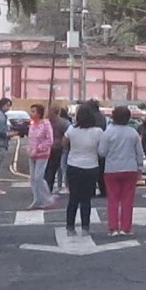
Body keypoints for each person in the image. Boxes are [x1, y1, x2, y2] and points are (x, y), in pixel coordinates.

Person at [98, 106, 144, 236]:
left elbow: (101, 152)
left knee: (112, 199)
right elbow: (139, 153)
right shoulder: (133, 133)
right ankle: (126, 227)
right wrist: (139, 167)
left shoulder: (108, 132)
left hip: (111, 169)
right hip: (130, 168)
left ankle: (113, 227)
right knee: (127, 199)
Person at [63, 104, 104, 236]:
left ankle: (70, 227)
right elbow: (101, 150)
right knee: (86, 199)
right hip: (91, 166)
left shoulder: (71, 130)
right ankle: (85, 227)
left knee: (73, 198)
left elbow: (64, 143)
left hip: (73, 165)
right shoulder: (98, 132)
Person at [26, 104, 55, 210]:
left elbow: (49, 140)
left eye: (33, 111)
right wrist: (29, 149)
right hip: (32, 154)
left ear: (39, 113)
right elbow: (31, 138)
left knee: (38, 177)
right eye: (31, 111)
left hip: (42, 154)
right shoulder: (32, 124)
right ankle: (37, 199)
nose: (31, 113)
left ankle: (48, 199)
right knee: (33, 178)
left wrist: (38, 148)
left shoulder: (46, 124)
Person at [44, 105, 71, 194]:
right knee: (57, 168)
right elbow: (68, 134)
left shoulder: (46, 122)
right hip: (58, 148)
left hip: (50, 148)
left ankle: (48, 187)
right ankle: (52, 187)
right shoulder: (64, 123)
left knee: (49, 169)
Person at [87, 99, 108, 197]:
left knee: (92, 170)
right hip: (102, 144)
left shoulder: (91, 117)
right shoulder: (102, 117)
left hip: (92, 145)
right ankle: (103, 190)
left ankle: (91, 191)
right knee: (101, 170)